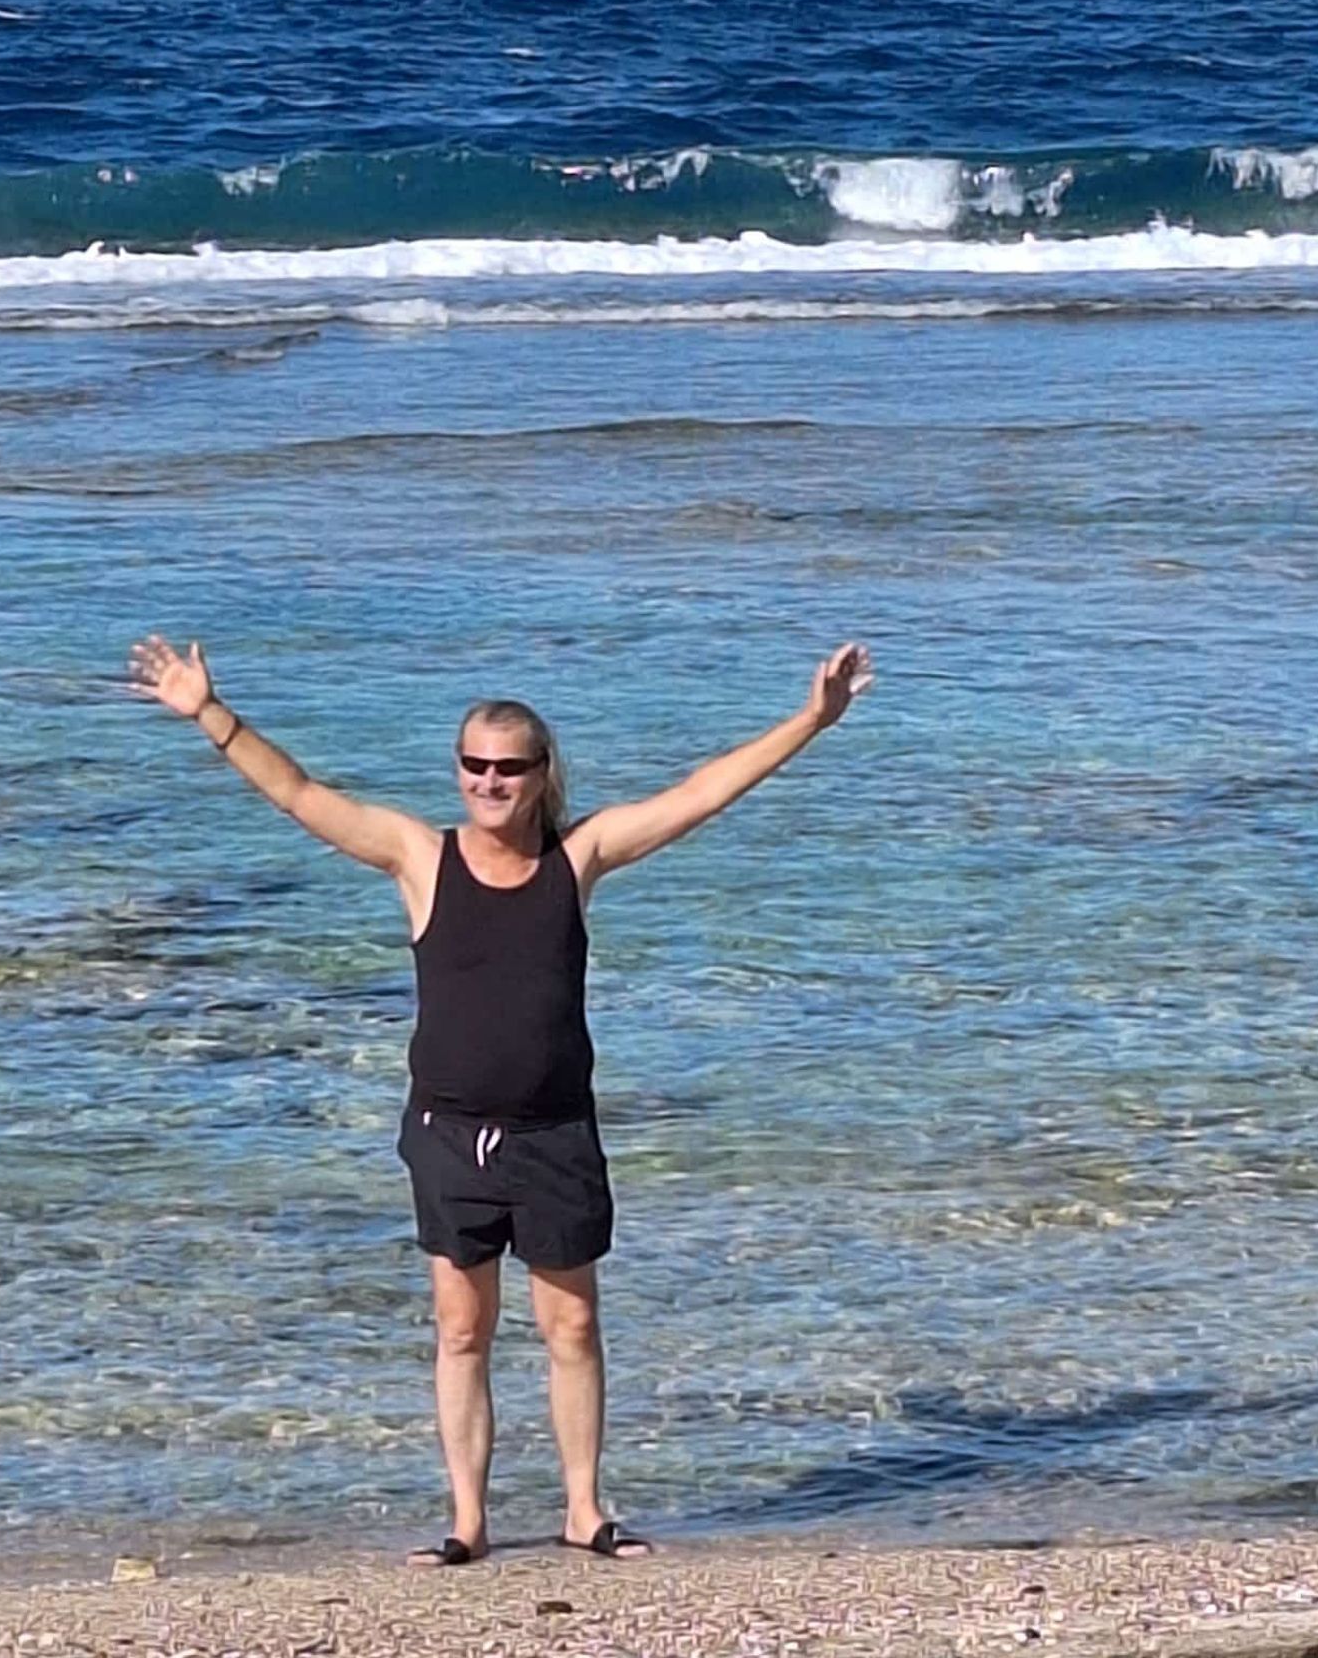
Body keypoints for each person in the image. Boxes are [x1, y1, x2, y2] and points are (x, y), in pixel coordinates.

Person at [127, 633, 874, 1565]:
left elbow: (701, 795)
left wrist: (813, 717)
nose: (488, 782)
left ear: (539, 772)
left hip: (555, 1132)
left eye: (507, 768)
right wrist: (210, 713)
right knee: (462, 1327)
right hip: (449, 1134)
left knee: (573, 1323)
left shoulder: (580, 856)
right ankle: (469, 1524)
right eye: (473, 765)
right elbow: (302, 796)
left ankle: (583, 1513)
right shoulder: (418, 857)